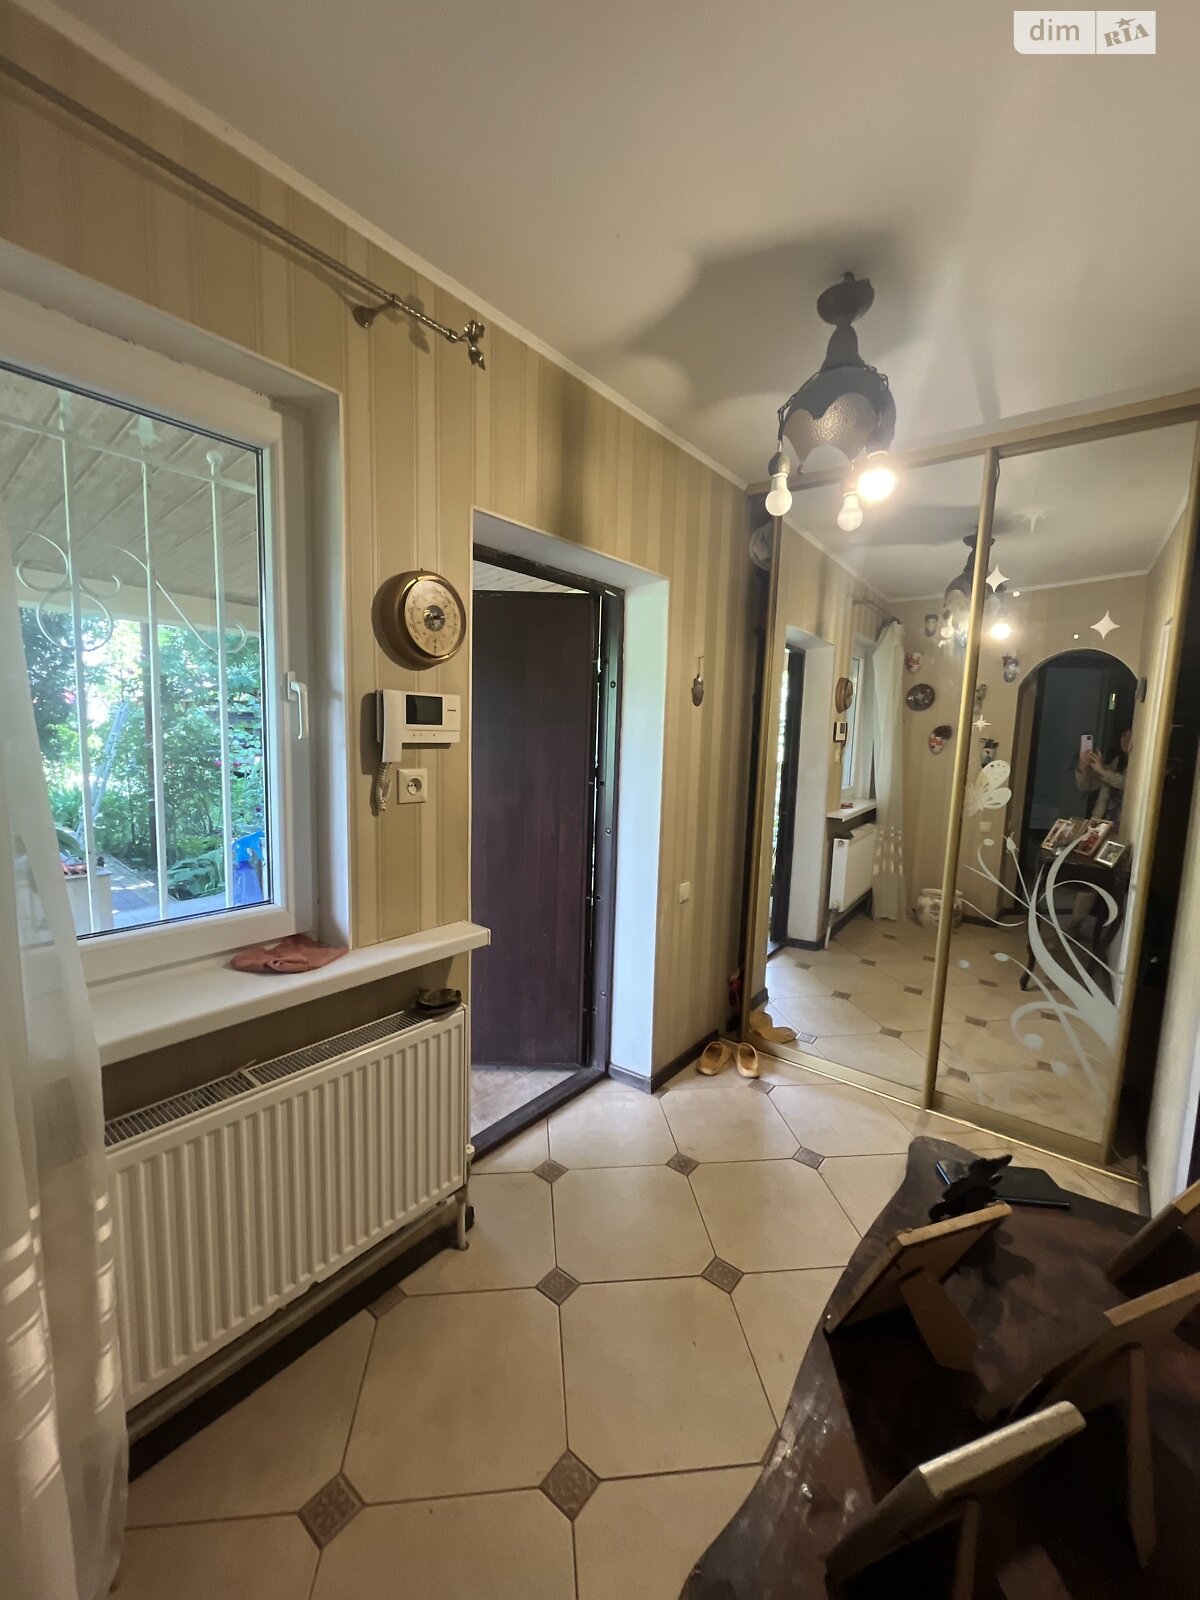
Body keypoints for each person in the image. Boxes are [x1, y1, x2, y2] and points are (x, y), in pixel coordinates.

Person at [1075, 728, 1131, 826]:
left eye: (1131, 736)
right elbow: (1085, 786)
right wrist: (1082, 767)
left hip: (1125, 824)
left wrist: (1102, 771)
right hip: (1101, 822)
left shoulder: (1141, 766)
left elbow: (1127, 784)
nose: (1126, 740)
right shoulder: (1115, 762)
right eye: (1123, 736)